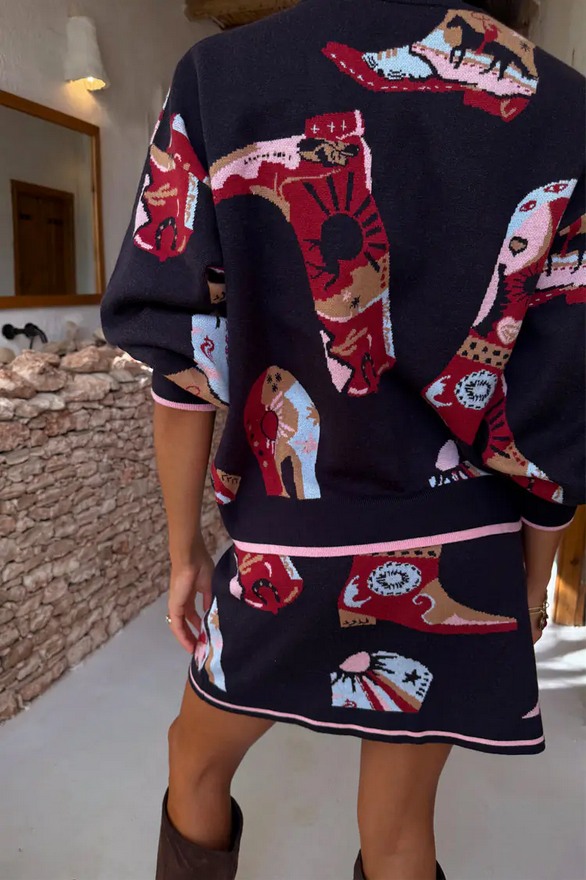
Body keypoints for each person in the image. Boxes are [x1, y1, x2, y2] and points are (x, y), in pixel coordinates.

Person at [101, 0, 585, 877]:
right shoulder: (562, 104)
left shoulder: (221, 78)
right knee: (399, 829)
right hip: (464, 534)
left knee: (194, 759)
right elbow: (563, 392)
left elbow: (183, 356)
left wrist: (181, 554)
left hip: (286, 542)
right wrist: (537, 568)